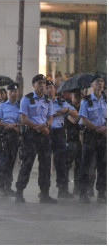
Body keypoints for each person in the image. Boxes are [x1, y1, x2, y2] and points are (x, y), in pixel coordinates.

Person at [15, 74, 56, 204]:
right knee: (27, 163)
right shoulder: (26, 99)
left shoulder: (48, 100)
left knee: (45, 165)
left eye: (44, 83)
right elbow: (23, 119)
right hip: (31, 135)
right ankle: (19, 192)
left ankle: (44, 193)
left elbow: (50, 117)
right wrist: (38, 127)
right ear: (33, 85)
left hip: (44, 134)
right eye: (39, 83)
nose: (42, 86)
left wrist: (46, 125)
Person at [78, 74, 106, 204]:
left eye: (102, 81)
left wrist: (105, 128)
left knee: (103, 165)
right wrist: (96, 128)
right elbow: (83, 119)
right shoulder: (86, 101)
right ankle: (83, 192)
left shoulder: (106, 100)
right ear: (91, 84)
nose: (100, 83)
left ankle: (101, 192)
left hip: (103, 135)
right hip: (90, 134)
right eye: (97, 81)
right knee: (86, 164)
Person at [46, 80, 77, 198]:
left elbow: (76, 114)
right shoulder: (41, 102)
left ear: (55, 89)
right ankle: (45, 191)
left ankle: (62, 189)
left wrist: (66, 110)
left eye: (51, 87)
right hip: (46, 131)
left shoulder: (61, 102)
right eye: (47, 88)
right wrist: (53, 114)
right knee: (45, 162)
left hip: (59, 132)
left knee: (61, 163)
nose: (49, 90)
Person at [0, 82, 20, 197]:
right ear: (8, 93)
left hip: (14, 136)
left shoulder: (20, 106)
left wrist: (15, 125)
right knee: (3, 162)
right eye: (11, 92)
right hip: (4, 135)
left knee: (11, 161)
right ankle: (1, 186)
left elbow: (22, 121)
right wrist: (7, 125)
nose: (13, 93)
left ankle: (8, 186)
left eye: (15, 91)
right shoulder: (3, 105)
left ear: (17, 92)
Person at [64, 89, 83, 195]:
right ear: (71, 96)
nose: (78, 98)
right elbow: (75, 120)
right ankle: (65, 188)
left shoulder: (82, 106)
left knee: (79, 165)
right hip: (71, 139)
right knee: (67, 165)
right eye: (76, 95)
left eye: (79, 95)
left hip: (81, 140)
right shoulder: (68, 108)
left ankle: (77, 187)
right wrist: (83, 115)